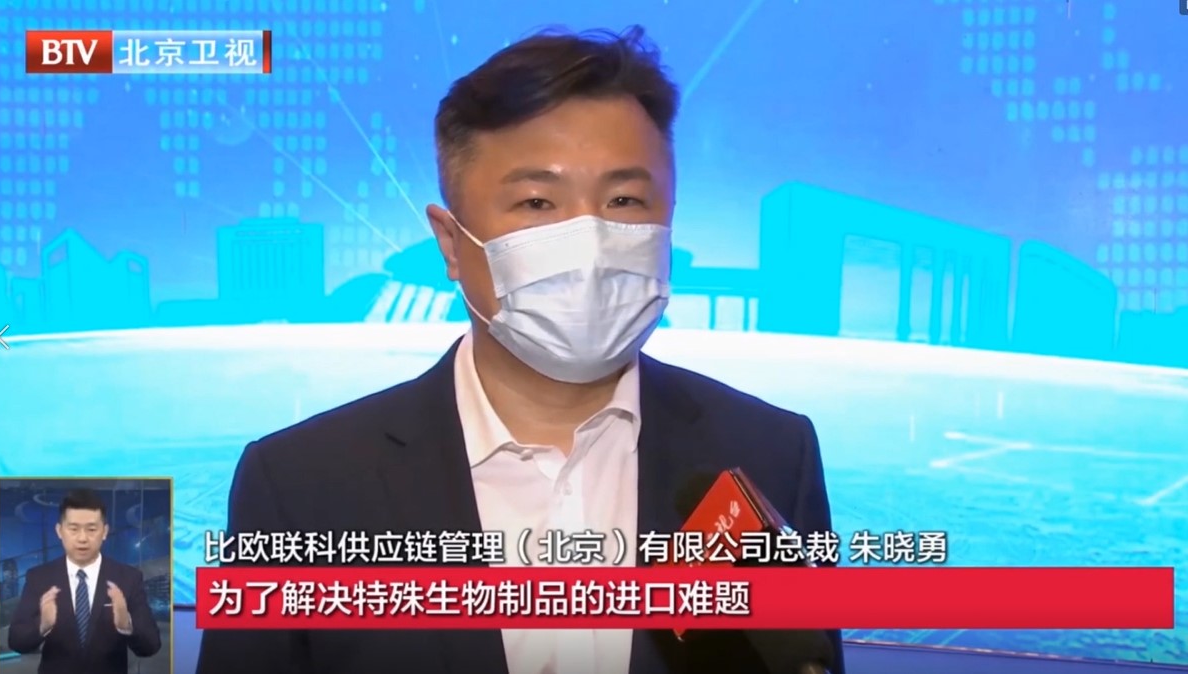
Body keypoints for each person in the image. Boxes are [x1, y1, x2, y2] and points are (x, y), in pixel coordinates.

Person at [196, 25, 843, 674]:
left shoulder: (768, 454)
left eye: (624, 199)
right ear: (451, 243)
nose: (590, 241)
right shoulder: (301, 485)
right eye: (537, 202)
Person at [7, 488, 162, 674]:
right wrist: (43, 625)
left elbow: (151, 645)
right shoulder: (39, 577)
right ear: (59, 531)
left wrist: (127, 625)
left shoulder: (128, 578)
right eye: (73, 529)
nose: (82, 538)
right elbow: (16, 641)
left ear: (104, 532)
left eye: (91, 529)